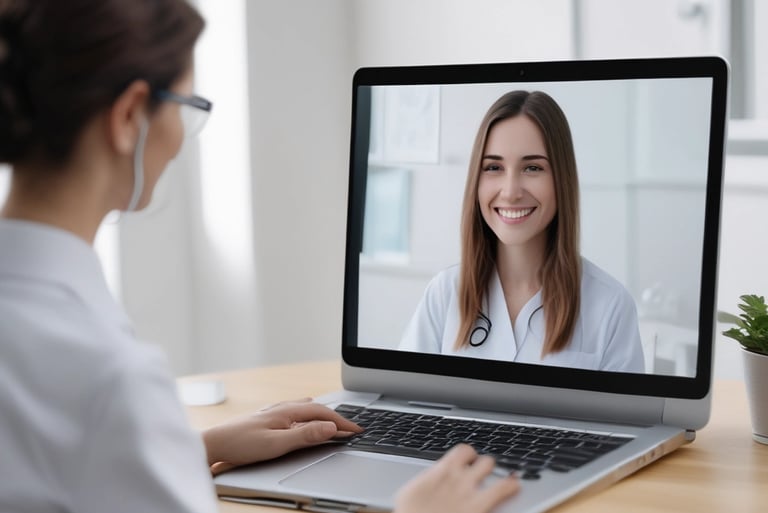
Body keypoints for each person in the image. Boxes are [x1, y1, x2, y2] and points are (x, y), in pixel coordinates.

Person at [0, 1, 518, 512]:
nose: (181, 138)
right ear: (130, 116)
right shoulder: (107, 378)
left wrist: (190, 448)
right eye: (186, 107)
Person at [399, 90, 645, 373]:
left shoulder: (610, 305)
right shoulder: (444, 293)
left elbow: (624, 417)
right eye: (493, 167)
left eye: (532, 167)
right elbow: (401, 399)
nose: (511, 191)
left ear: (561, 180)